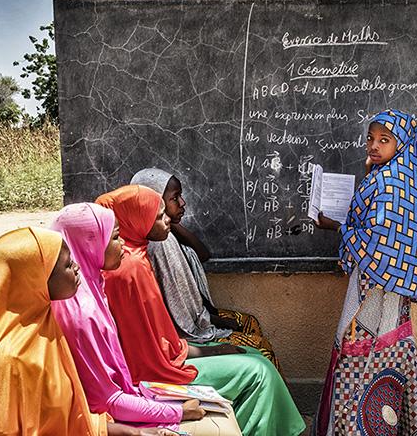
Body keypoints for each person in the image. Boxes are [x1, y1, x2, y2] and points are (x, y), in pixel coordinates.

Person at [96, 185, 305, 436]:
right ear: (136, 218)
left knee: (255, 355)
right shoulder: (129, 269)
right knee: (259, 371)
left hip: (169, 358)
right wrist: (211, 349)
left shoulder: (137, 254)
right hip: (155, 376)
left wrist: (208, 349)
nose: (168, 220)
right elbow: (150, 356)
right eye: (159, 215)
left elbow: (161, 341)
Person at [50, 202, 242, 435]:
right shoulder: (82, 312)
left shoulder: (92, 288)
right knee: (228, 418)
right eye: (114, 238)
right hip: (109, 417)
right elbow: (106, 400)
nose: (122, 245)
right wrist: (177, 411)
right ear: (90, 243)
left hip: (128, 397)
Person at [312, 110, 417, 435]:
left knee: (359, 354)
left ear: (400, 144)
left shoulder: (389, 183)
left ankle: (354, 429)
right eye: (371, 138)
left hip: (375, 295)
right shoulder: (398, 176)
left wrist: (336, 226)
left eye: (383, 140)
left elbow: (378, 241)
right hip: (386, 290)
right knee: (393, 353)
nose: (374, 145)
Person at [0, 227, 171, 436]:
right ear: (34, 279)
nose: (77, 266)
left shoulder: (42, 326)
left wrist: (132, 433)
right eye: (68, 264)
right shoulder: (4, 364)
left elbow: (66, 421)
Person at [129, 168, 280, 371]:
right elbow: (178, 312)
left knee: (250, 322)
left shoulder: (165, 233)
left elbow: (202, 253)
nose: (182, 203)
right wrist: (212, 323)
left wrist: (168, 221)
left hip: (199, 317)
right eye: (175, 198)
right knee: (261, 348)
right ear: (156, 201)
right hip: (187, 333)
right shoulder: (159, 244)